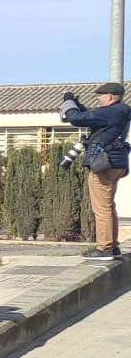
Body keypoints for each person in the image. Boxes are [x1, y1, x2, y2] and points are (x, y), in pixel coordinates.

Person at [61, 81, 131, 261]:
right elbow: (91, 117)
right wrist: (79, 106)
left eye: (100, 96)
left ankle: (104, 248)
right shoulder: (121, 111)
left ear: (109, 96)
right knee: (109, 206)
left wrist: (68, 102)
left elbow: (76, 118)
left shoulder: (112, 111)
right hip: (116, 163)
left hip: (103, 164)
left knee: (101, 208)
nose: (99, 99)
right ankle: (112, 246)